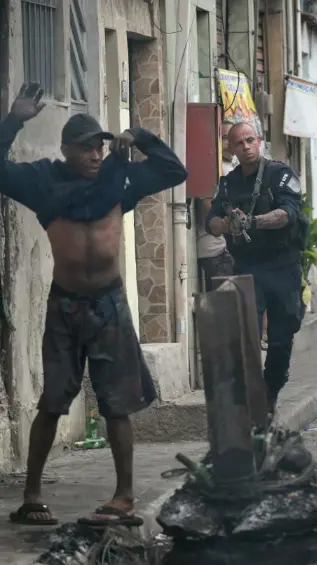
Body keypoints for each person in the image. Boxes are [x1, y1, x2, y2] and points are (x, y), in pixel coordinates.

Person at [0, 84, 188, 526]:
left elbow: (175, 171)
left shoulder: (119, 178)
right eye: (86, 148)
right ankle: (32, 496)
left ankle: (124, 498)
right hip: (65, 307)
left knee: (116, 403)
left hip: (109, 306)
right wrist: (14, 120)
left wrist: (140, 136)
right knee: (53, 400)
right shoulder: (44, 181)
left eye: (101, 146)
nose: (96, 154)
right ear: (66, 149)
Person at [206, 122, 305, 417]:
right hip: (248, 267)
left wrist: (252, 222)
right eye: (239, 143)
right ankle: (249, 400)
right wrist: (226, 224)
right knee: (244, 334)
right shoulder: (228, 183)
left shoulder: (280, 174)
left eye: (250, 140)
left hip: (282, 266)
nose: (246, 147)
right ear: (232, 149)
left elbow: (288, 213)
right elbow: (210, 222)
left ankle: (270, 391)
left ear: (259, 141)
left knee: (280, 337)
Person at [196, 120, 235, 291]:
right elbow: (209, 206)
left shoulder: (231, 167)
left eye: (231, 138)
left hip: (227, 251)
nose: (229, 143)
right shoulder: (212, 167)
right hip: (217, 251)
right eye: (224, 137)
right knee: (225, 309)